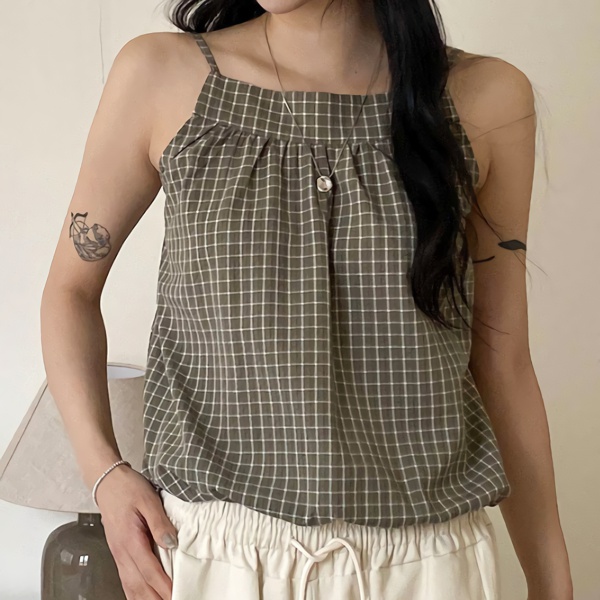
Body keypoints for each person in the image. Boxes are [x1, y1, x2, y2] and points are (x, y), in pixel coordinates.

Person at [40, 1, 573, 599]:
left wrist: (552, 582)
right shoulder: (160, 75)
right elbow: (70, 292)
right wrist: (105, 475)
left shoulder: (486, 98)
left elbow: (502, 359)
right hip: (217, 557)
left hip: (427, 563)